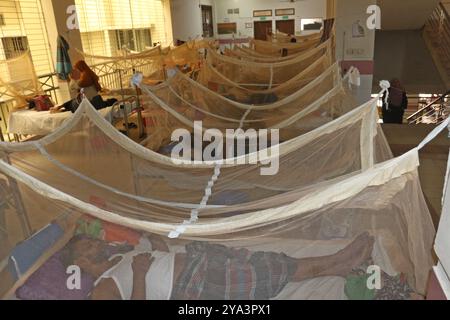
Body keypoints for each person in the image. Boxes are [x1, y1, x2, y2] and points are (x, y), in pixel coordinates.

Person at [61, 232, 374, 300]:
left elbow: (163, 253)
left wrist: (153, 238)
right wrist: (140, 275)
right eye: (89, 246)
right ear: (81, 262)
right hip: (193, 287)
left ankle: (340, 266)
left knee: (270, 260)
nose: (98, 244)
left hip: (199, 260)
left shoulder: (120, 256)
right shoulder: (102, 288)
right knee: (268, 273)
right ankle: (341, 260)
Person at [50, 60, 117, 113]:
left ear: (80, 67)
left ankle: (60, 108)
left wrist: (72, 79)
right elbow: (81, 88)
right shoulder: (88, 73)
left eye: (77, 68)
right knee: (74, 101)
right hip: (95, 99)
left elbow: (76, 87)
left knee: (73, 103)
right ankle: (60, 108)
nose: (77, 70)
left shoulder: (85, 75)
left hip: (92, 101)